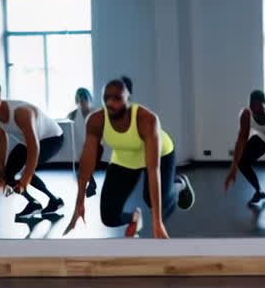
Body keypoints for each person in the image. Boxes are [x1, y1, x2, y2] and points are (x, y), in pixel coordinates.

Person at [65, 76, 194, 238]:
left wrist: (157, 222)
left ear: (128, 99)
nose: (111, 103)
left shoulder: (146, 119)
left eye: (117, 98)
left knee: (154, 202)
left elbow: (153, 170)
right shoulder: (97, 120)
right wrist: (79, 202)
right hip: (125, 157)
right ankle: (135, 217)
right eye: (106, 98)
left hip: (160, 154)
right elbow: (87, 160)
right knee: (109, 217)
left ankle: (179, 183)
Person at [0, 77, 66, 220]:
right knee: (8, 173)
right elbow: (1, 139)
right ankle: (35, 203)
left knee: (25, 171)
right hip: (29, 142)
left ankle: (54, 200)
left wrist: (25, 179)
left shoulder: (21, 112)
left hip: (52, 138)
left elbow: (34, 144)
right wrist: (1, 169)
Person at [69, 87, 98, 197]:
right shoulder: (73, 114)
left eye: (84, 99)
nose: (82, 102)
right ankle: (91, 184)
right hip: (81, 143)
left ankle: (91, 184)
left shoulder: (95, 113)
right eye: (80, 100)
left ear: (89, 99)